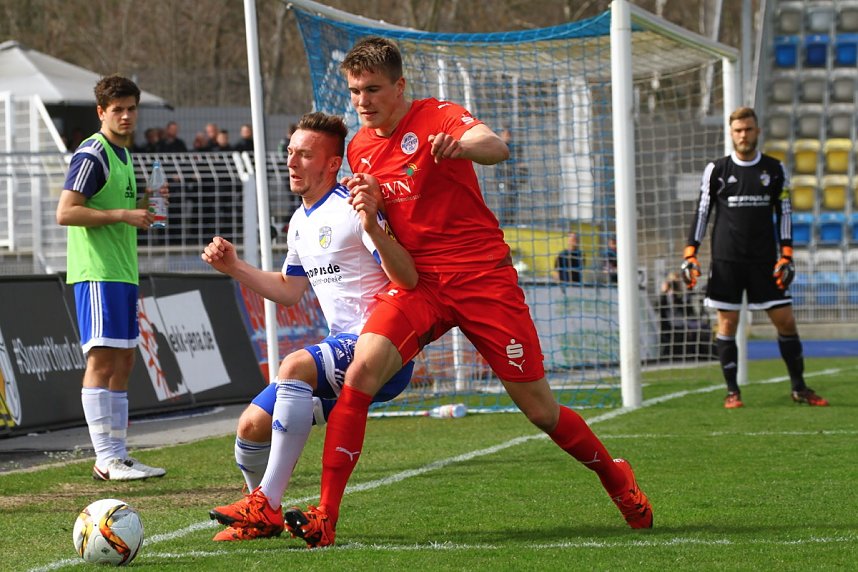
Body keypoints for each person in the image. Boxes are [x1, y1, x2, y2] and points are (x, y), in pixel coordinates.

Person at [283, 36, 652, 549]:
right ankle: (325, 514)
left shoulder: (438, 117)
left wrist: (462, 146)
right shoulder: (360, 147)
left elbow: (496, 147)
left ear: (400, 87)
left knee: (541, 412)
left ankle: (616, 477)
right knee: (361, 374)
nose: (363, 101)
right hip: (421, 283)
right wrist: (368, 211)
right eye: (355, 91)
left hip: (483, 281)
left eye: (372, 89)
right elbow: (381, 215)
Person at [202, 112, 419, 542]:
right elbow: (287, 290)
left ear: (332, 164)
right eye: (289, 152)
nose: (292, 162)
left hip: (378, 346)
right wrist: (234, 267)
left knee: (295, 364)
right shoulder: (300, 222)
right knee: (250, 426)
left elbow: (406, 278)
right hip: (342, 345)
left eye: (304, 154)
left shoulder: (352, 210)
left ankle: (267, 502)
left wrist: (375, 226)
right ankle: (259, 517)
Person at [55, 74, 167, 481]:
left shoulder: (124, 154)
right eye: (116, 109)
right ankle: (104, 457)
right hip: (98, 273)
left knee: (124, 359)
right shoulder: (94, 152)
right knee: (102, 359)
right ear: (101, 112)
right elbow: (66, 211)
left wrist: (142, 208)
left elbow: (114, 207)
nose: (125, 115)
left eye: (131, 108)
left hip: (122, 271)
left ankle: (118, 454)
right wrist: (123, 214)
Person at [681, 106, 829, 409]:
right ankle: (732, 392)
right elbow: (702, 212)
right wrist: (690, 253)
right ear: (731, 133)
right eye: (738, 130)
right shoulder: (717, 170)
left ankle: (799, 388)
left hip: (765, 261)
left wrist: (787, 254)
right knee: (728, 325)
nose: (743, 135)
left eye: (748, 129)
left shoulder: (774, 169)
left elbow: (784, 212)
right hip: (726, 261)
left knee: (786, 322)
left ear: (757, 131)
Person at [657, 272, 711, 360]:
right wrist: (665, 292)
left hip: (685, 321)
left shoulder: (682, 295)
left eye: (677, 282)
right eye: (673, 282)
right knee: (697, 326)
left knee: (703, 326)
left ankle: (704, 352)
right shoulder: (666, 297)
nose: (676, 284)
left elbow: (687, 309)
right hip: (675, 323)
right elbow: (662, 306)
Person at [495, 127, 527, 226]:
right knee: (504, 198)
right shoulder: (497, 146)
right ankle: (503, 222)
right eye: (505, 134)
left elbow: (520, 162)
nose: (507, 136)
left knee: (513, 199)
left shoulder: (516, 147)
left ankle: (511, 222)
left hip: (513, 178)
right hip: (502, 177)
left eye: (508, 134)